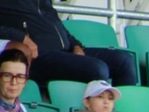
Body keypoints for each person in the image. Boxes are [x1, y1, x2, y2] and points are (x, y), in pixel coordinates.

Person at [0, 2, 135, 86]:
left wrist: (76, 45)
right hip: (38, 55)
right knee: (98, 68)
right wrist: (21, 37)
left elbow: (59, 27)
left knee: (124, 60)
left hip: (65, 51)